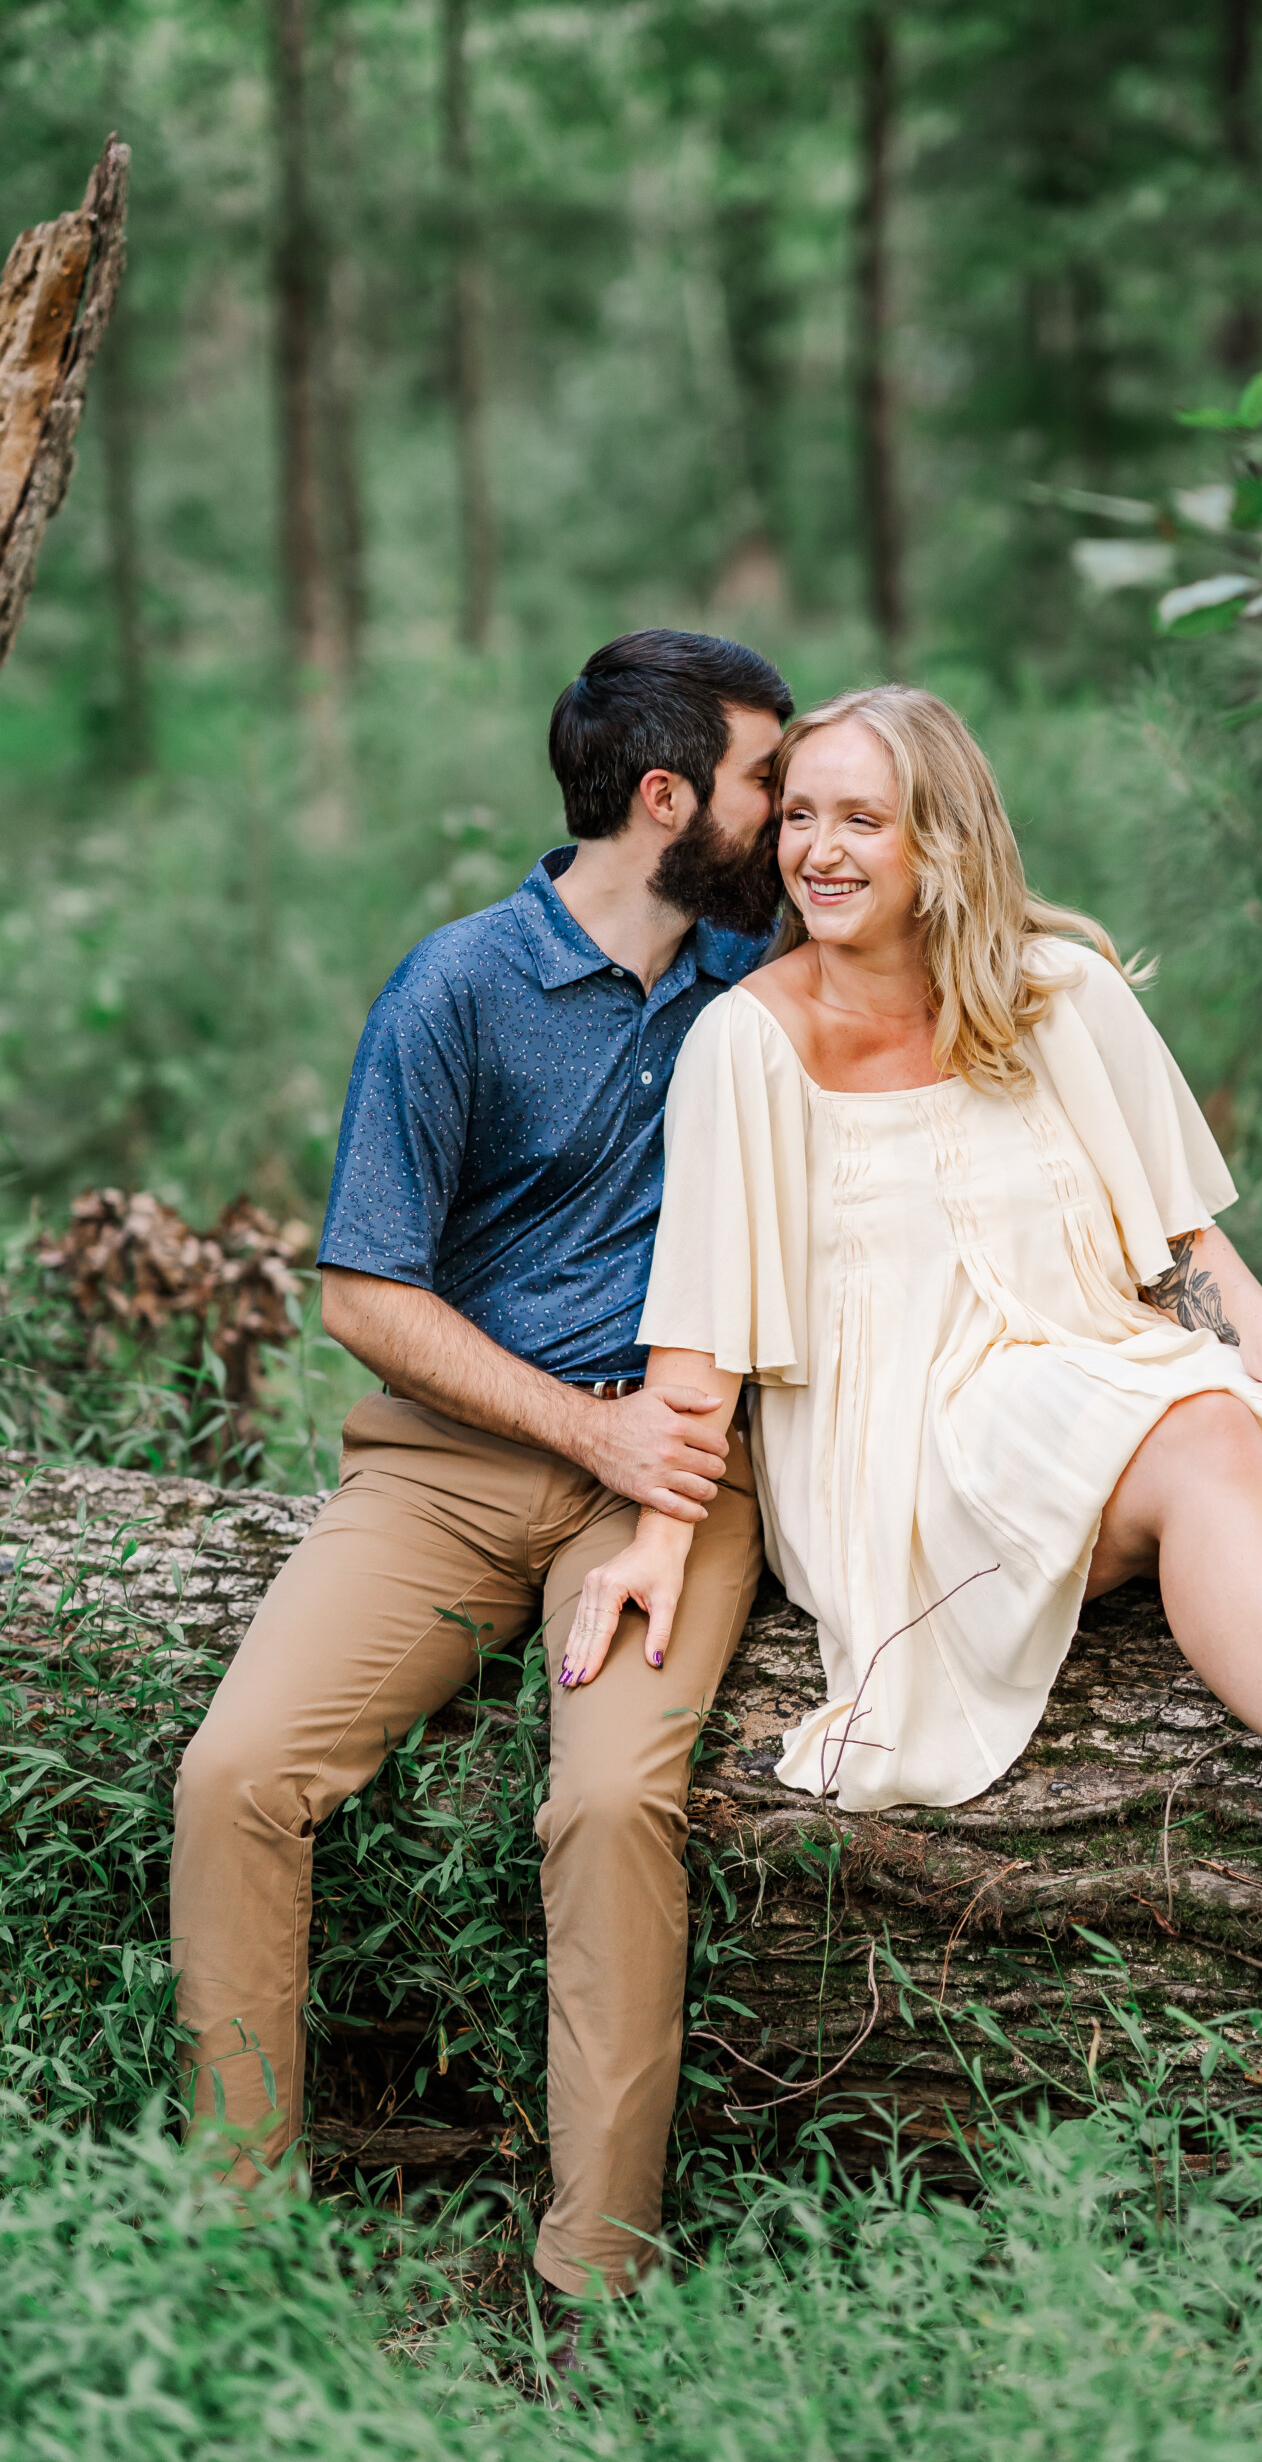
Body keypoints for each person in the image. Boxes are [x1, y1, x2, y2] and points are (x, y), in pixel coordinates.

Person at [563, 685, 1262, 2021]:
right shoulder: (750, 1043)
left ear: (943, 842)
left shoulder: (1059, 991)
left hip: (1095, 1371)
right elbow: (701, 1326)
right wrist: (659, 1537)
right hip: (906, 1452)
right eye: (801, 817)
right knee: (1199, 1429)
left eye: (863, 820)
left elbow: (1187, 1251)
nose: (819, 851)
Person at [170, 628, 792, 2309]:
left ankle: (594, 2285)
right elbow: (364, 1290)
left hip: (671, 1481)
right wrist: (570, 1419)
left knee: (608, 1804)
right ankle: (238, 2245)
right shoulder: (456, 988)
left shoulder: (774, 969)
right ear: (666, 800)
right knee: (236, 1780)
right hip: (446, 1473)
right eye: (763, 782)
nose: (790, 817)